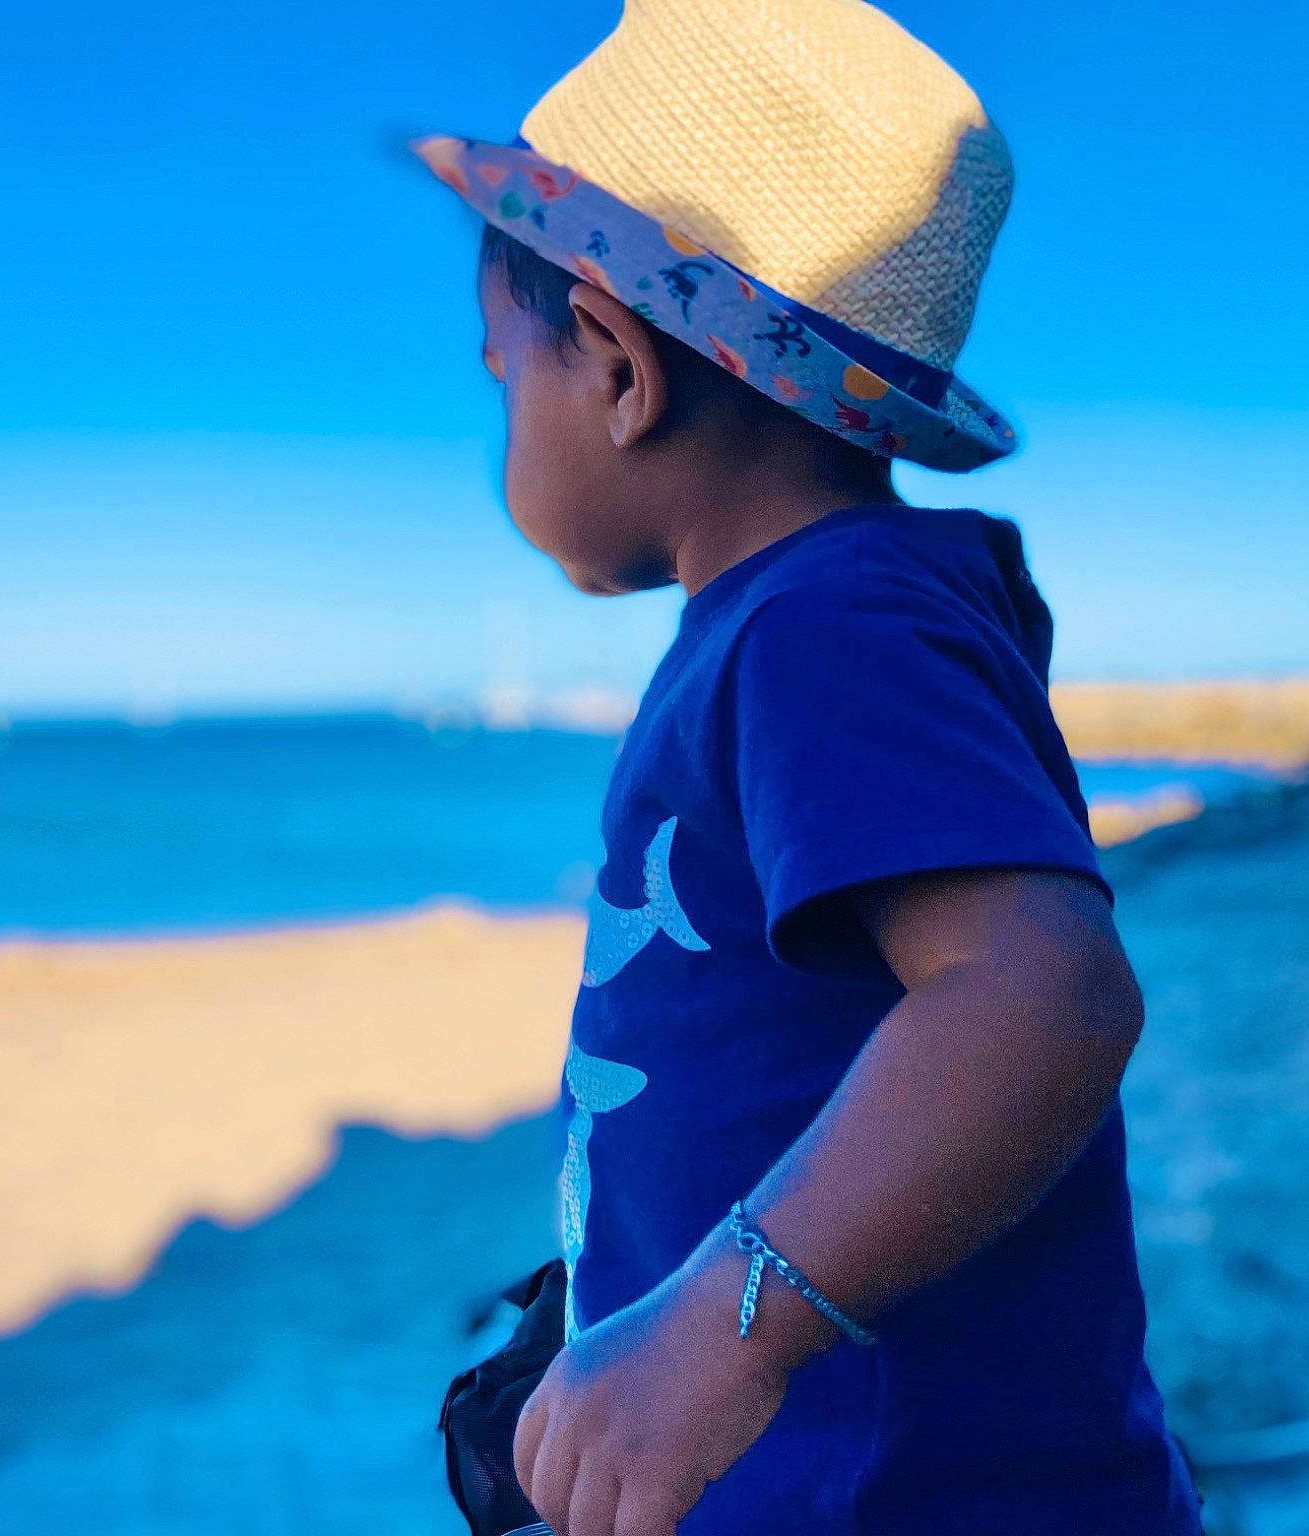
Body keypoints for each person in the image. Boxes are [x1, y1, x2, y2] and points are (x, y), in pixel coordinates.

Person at [409, 2, 1204, 1532]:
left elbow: (1043, 994)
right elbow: (779, 1044)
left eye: (499, 372)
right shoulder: (806, 619)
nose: (498, 413)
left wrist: (720, 1328)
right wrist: (620, 1279)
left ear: (619, 369)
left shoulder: (826, 621)